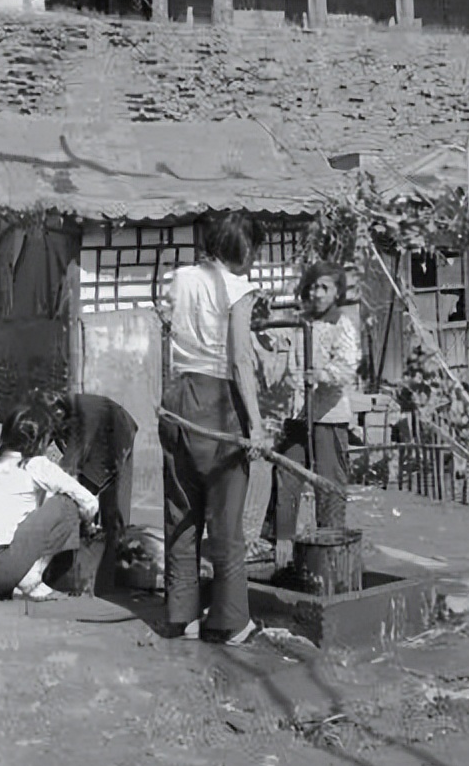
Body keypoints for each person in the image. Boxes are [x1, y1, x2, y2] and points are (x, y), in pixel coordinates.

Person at [158, 211, 266, 645]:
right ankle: (231, 620)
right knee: (225, 520)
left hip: (177, 399)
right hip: (218, 403)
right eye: (254, 251)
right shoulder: (238, 289)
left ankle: (182, 617)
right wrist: (256, 425)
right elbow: (240, 359)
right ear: (243, 250)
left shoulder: (180, 278)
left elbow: (169, 330)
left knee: (181, 513)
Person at [0, 405, 100, 602]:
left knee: (40, 508)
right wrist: (88, 523)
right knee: (67, 504)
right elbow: (88, 500)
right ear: (42, 440)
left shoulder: (0, 465)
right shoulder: (37, 464)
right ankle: (32, 580)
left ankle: (18, 576)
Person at [274, 261, 360, 566]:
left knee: (329, 484)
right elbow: (286, 364)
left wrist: (321, 374)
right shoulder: (301, 323)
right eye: (313, 286)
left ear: (337, 292)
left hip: (328, 416)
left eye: (324, 287)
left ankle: (332, 548)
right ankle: (280, 547)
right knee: (286, 475)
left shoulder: (342, 325)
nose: (317, 293)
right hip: (298, 415)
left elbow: (347, 367)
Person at [44, 391, 138, 593]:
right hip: (113, 430)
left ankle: (101, 572)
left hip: (115, 434)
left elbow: (71, 464)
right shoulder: (61, 413)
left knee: (100, 503)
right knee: (86, 498)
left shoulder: (80, 414)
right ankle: (92, 567)